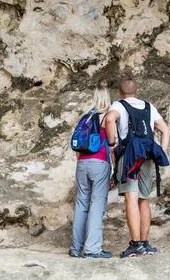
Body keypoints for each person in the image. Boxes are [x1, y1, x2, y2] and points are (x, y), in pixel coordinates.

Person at [105, 76, 170, 258]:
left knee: (131, 198)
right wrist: (160, 152)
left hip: (130, 156)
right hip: (147, 155)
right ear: (137, 91)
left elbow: (110, 120)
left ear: (119, 92)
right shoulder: (149, 107)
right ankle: (145, 243)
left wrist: (112, 144)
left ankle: (136, 246)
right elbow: (166, 131)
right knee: (144, 199)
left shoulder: (118, 106)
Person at [69, 86, 113, 259]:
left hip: (82, 163)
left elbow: (77, 146)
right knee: (97, 203)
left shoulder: (85, 117)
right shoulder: (107, 118)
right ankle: (93, 249)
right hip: (100, 162)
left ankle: (75, 248)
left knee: (81, 203)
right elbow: (112, 144)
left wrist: (82, 161)